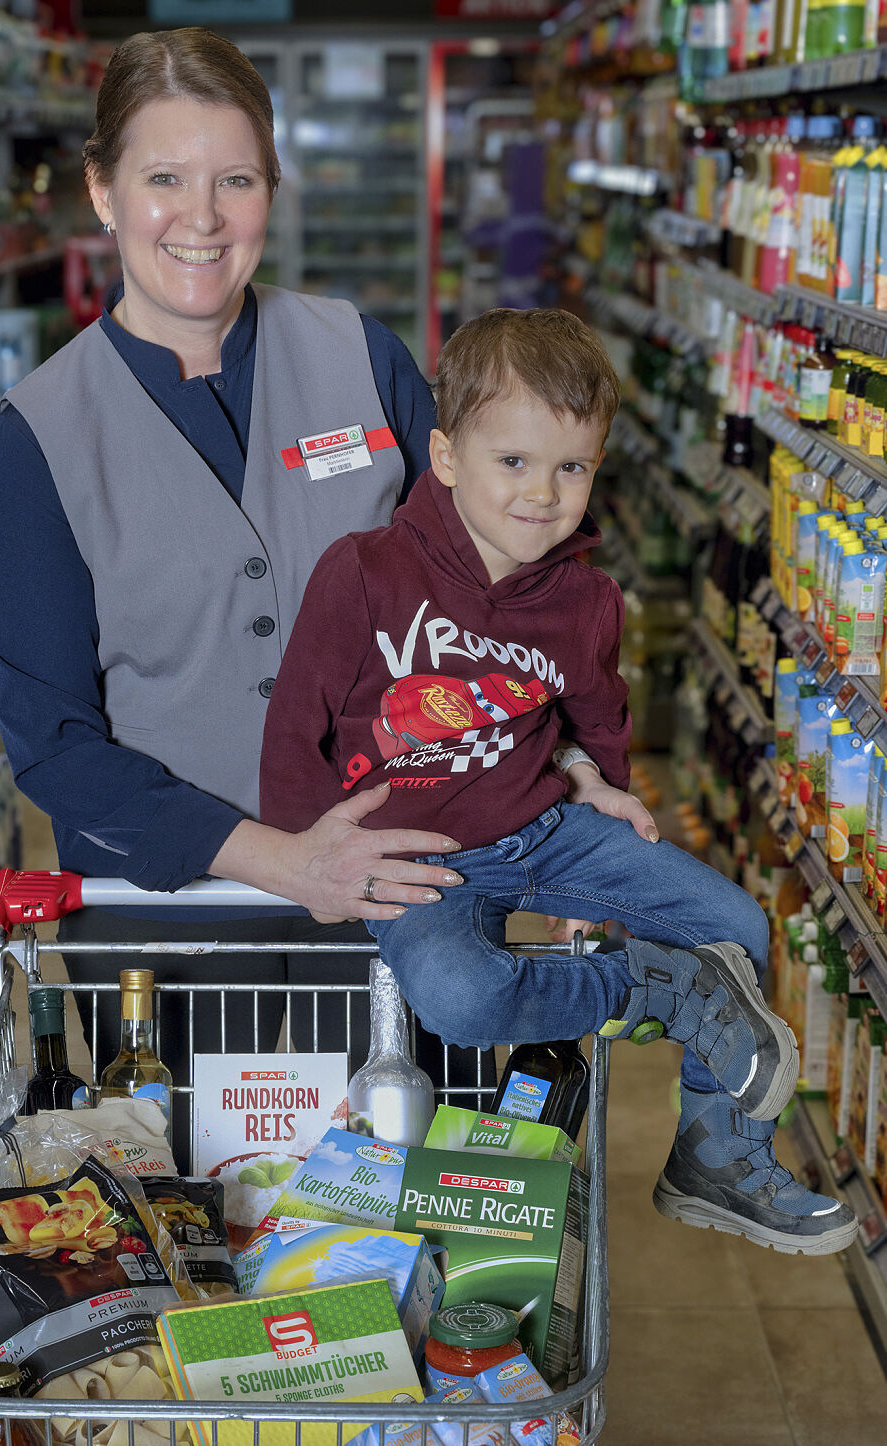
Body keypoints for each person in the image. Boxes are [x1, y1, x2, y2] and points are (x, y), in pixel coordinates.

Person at [0, 28, 653, 1106]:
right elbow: (52, 745)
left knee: (397, 1195)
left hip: (413, 879)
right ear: (101, 192)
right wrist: (275, 859)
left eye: (233, 180)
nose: (200, 219)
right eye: (163, 179)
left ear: (269, 194)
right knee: (194, 1207)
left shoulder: (357, 356)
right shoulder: (40, 438)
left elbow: (504, 587)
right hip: (172, 910)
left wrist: (567, 769)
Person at [260, 307, 857, 1255]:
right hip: (416, 862)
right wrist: (309, 856)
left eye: (571, 467)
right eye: (514, 463)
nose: (543, 494)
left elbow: (595, 717)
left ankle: (717, 1154)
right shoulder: (363, 573)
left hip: (545, 833)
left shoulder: (586, 600)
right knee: (459, 999)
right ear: (446, 455)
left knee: (738, 926)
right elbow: (293, 731)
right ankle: (654, 991)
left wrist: (597, 780)